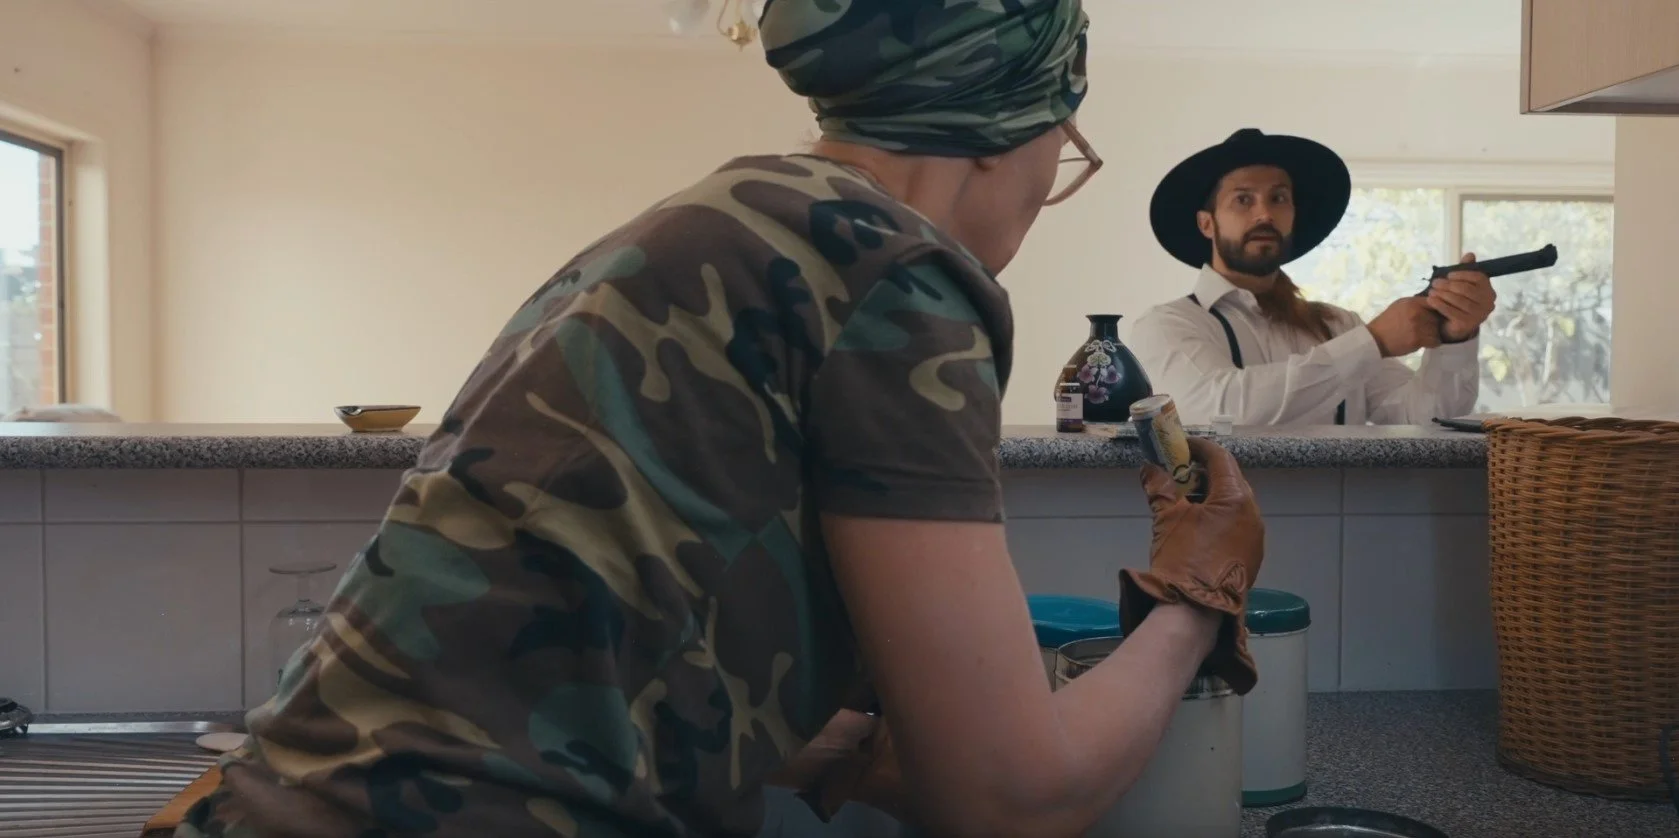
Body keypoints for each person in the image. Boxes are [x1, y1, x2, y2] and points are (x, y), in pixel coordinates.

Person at [175, 3, 1265, 837]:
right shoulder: (898, 273)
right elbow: (1010, 800)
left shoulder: (710, 219)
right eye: (1060, 151)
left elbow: (607, 590)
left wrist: (819, 740)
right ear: (999, 128)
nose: (1043, 186)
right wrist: (1196, 594)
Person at [1126, 128, 1497, 427]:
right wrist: (1373, 342)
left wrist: (1455, 337)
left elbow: (1426, 418)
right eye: (1243, 200)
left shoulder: (1338, 326)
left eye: (1279, 198)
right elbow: (1222, 410)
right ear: (1206, 223)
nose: (1264, 215)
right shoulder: (1167, 326)